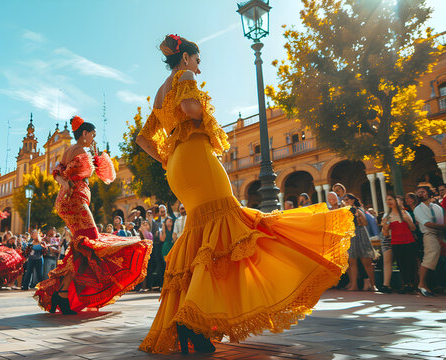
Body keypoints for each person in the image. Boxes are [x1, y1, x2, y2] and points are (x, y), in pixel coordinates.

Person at [135, 34, 354, 355]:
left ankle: (192, 320)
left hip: (179, 168)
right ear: (185, 59)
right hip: (197, 157)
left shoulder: (158, 92)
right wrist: (203, 111)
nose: (199, 66)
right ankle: (194, 319)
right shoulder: (184, 77)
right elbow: (189, 107)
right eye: (197, 60)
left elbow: (143, 139)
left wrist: (167, 158)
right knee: (229, 225)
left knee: (204, 236)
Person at [34, 115, 152, 315]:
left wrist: (65, 183)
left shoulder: (69, 151)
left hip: (66, 200)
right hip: (76, 201)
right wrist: (94, 160)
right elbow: (103, 175)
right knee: (92, 241)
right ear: (85, 134)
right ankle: (63, 294)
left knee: (82, 247)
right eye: (93, 135)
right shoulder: (81, 151)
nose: (93, 139)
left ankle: (61, 294)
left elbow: (57, 172)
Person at [381, 195, 418, 294]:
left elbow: (413, 228)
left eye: (391, 199)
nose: (389, 202)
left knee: (410, 263)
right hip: (396, 242)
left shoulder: (405, 213)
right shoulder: (387, 216)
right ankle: (406, 284)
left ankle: (411, 284)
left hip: (408, 241)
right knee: (401, 264)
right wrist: (385, 226)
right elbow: (385, 234)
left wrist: (408, 220)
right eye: (387, 200)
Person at [414, 184, 445, 297]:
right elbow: (427, 224)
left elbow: (442, 220)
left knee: (439, 260)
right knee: (429, 258)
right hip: (429, 234)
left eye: (422, 191)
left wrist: (442, 235)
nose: (420, 194)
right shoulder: (418, 209)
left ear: (428, 193)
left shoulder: (437, 207)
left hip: (440, 235)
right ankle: (421, 284)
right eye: (418, 192)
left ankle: (436, 285)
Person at [343, 194, 377, 292]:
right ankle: (354, 285)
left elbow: (365, 223)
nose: (346, 201)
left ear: (353, 200)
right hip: (350, 235)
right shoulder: (345, 210)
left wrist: (358, 214)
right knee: (352, 262)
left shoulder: (358, 209)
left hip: (360, 234)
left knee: (366, 261)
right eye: (344, 200)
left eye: (347, 199)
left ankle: (373, 285)